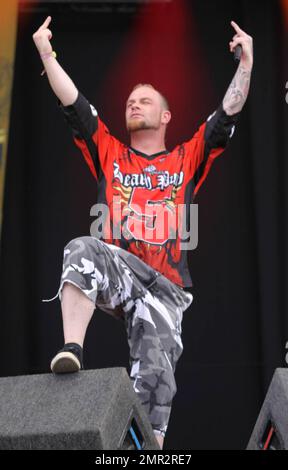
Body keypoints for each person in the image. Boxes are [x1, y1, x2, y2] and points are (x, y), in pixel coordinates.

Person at [33, 16, 253, 449]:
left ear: (166, 115)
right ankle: (72, 349)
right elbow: (73, 102)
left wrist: (246, 64)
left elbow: (227, 112)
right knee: (82, 248)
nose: (134, 104)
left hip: (168, 289)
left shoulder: (186, 157)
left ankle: (143, 450)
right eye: (131, 100)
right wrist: (45, 52)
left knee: (155, 383)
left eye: (145, 100)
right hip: (122, 269)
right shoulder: (110, 151)